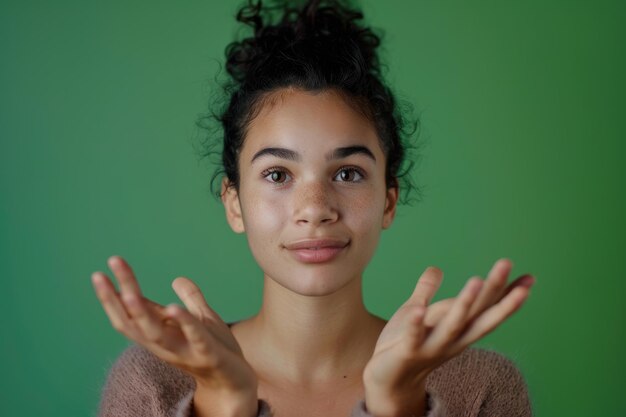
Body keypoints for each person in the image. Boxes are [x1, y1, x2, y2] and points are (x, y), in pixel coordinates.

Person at [91, 1, 537, 416]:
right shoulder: (151, 383)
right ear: (234, 203)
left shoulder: (482, 386)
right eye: (278, 175)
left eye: (347, 173)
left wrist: (398, 404)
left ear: (389, 199)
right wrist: (223, 401)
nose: (315, 209)